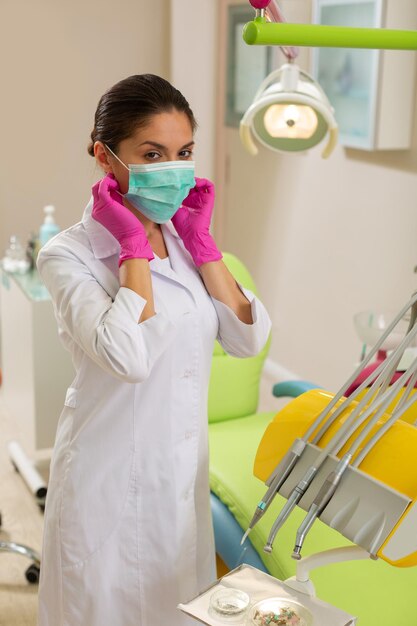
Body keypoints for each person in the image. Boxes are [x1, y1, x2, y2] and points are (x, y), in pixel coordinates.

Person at [37, 74, 272, 626]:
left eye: (184, 152)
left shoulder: (186, 238)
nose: (173, 168)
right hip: (108, 476)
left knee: (176, 608)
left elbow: (247, 339)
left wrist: (204, 247)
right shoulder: (67, 255)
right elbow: (129, 358)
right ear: (105, 156)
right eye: (153, 153)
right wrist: (132, 249)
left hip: (179, 475)